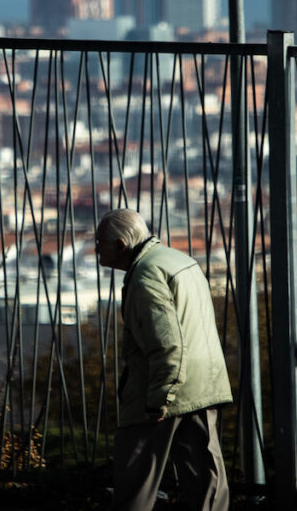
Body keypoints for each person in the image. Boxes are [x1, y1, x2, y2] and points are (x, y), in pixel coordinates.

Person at [96, 208, 232, 511]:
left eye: (99, 243)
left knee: (136, 480)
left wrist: (159, 399)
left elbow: (166, 343)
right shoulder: (178, 260)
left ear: (120, 245)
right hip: (202, 383)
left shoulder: (145, 275)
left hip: (159, 387)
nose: (95, 250)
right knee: (206, 477)